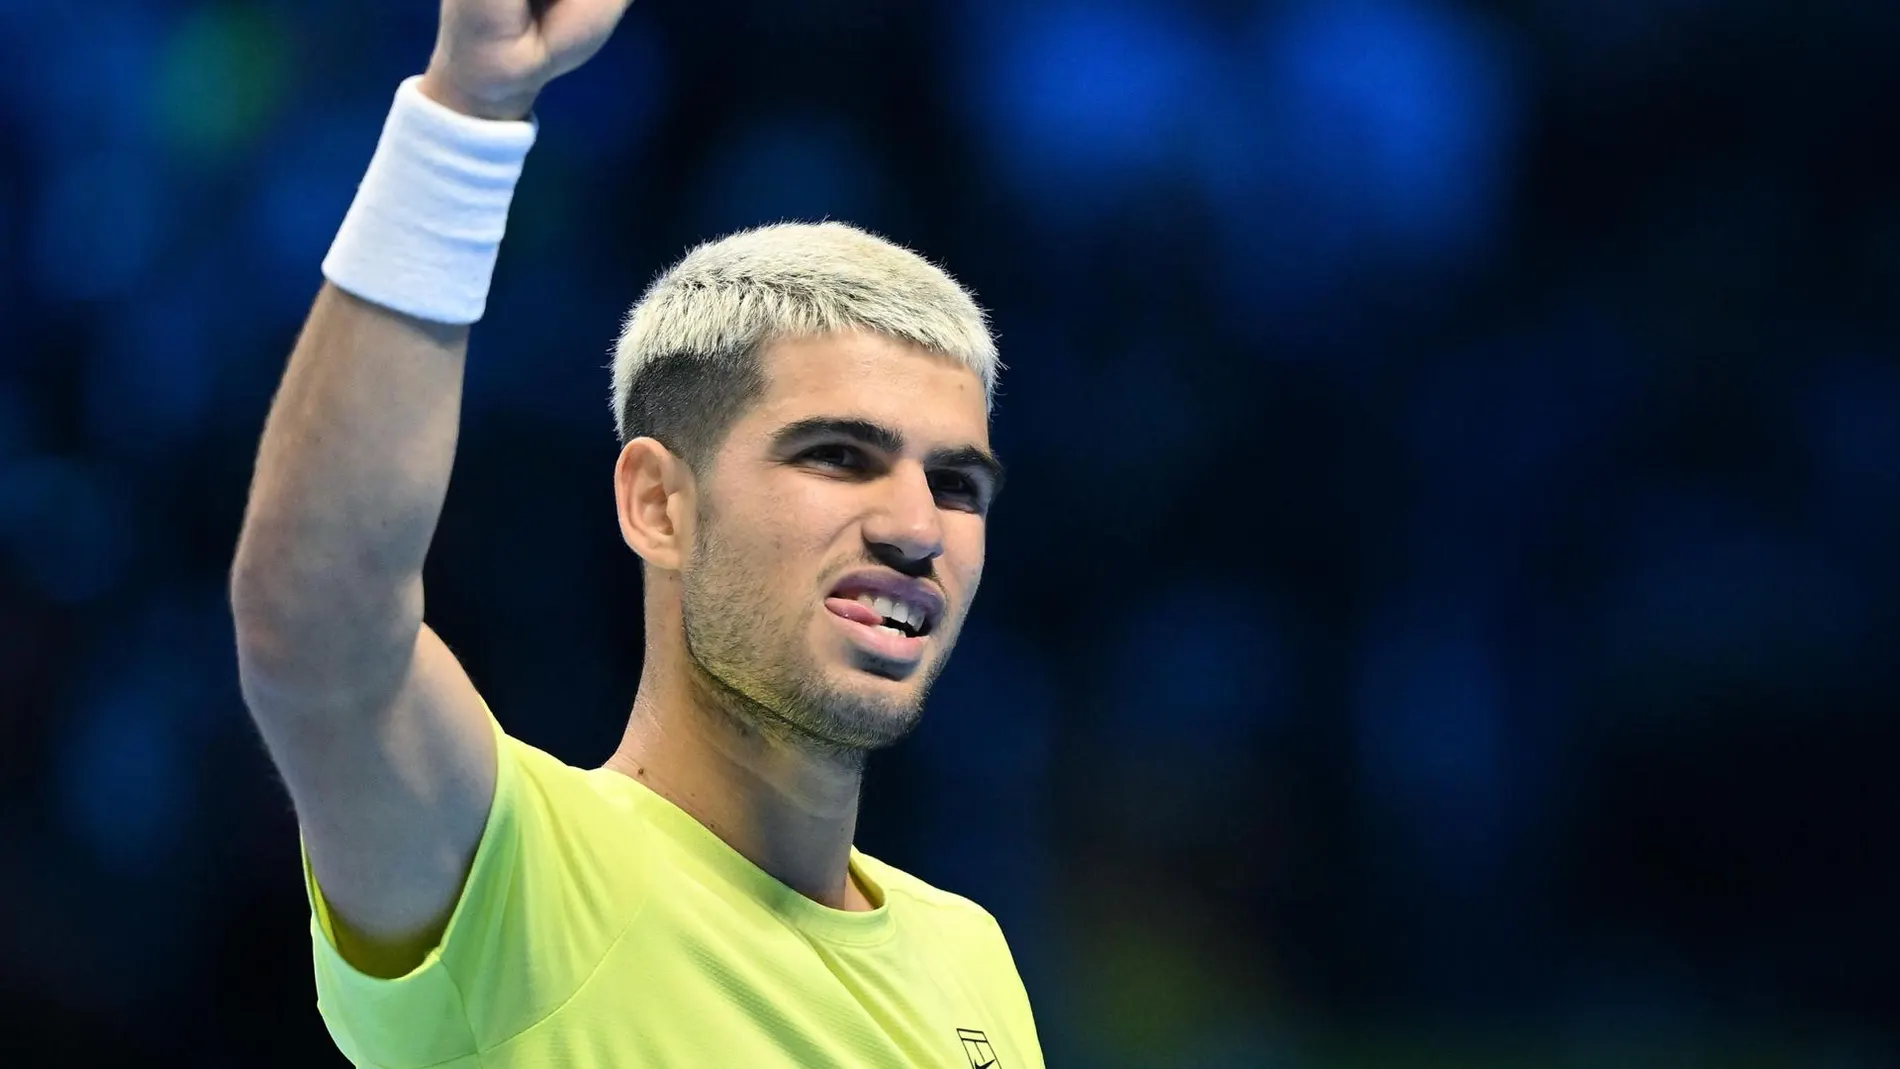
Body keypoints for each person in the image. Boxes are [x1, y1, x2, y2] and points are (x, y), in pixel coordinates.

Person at [228, 1, 1043, 1066]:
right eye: (838, 456)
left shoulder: (968, 953)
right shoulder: (522, 886)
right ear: (659, 503)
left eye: (955, 483)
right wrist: (467, 113)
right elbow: (316, 626)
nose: (915, 527)